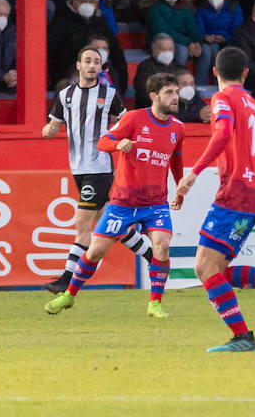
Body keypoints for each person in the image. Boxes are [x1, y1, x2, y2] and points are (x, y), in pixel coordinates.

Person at [171, 47, 255, 352]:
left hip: (235, 192)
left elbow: (221, 134)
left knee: (205, 268)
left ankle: (244, 337)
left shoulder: (223, 99)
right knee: (216, 268)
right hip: (251, 194)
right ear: (246, 74)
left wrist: (194, 172)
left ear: (214, 72)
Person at [45, 72, 185, 318]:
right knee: (95, 251)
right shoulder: (133, 119)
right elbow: (103, 142)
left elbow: (176, 158)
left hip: (156, 203)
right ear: (154, 96)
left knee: (161, 247)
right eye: (169, 93)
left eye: (176, 92)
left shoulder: (178, 129)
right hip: (123, 202)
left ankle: (155, 303)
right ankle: (68, 295)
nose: (176, 97)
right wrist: (118, 145)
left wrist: (180, 188)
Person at [41, 46, 153, 293]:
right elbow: (53, 124)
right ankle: (154, 258)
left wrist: (121, 142)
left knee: (83, 222)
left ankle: (67, 279)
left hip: (100, 165)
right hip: (77, 167)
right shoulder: (64, 95)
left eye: (97, 62)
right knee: (111, 223)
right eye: (88, 61)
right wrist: (49, 130)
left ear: (100, 68)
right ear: (78, 65)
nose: (92, 66)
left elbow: (126, 121)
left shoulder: (109, 94)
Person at [48, 0, 127, 88]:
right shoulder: (62, 22)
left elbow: (116, 52)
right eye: (84, 2)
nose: (88, 6)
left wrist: (122, 85)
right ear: (75, 2)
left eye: (92, 2)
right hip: (69, 78)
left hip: (100, 76)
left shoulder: (100, 23)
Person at [146, 0, 204, 74]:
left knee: (205, 50)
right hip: (165, 43)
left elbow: (192, 28)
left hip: (185, 42)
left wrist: (197, 42)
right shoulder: (155, 10)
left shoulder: (184, 8)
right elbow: (162, 30)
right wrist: (188, 43)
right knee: (182, 50)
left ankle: (200, 84)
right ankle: (175, 80)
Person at [194, 0, 243, 85]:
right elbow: (199, 28)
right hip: (208, 43)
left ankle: (219, 84)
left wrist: (225, 37)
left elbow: (237, 31)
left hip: (229, 43)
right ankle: (200, 86)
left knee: (221, 52)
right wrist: (205, 37)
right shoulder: (201, 9)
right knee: (209, 50)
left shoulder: (234, 9)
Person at [134, 34, 186, 109]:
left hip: (177, 111)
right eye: (163, 49)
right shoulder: (144, 67)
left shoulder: (180, 67)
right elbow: (145, 96)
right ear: (153, 49)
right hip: (152, 112)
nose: (167, 52)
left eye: (170, 49)